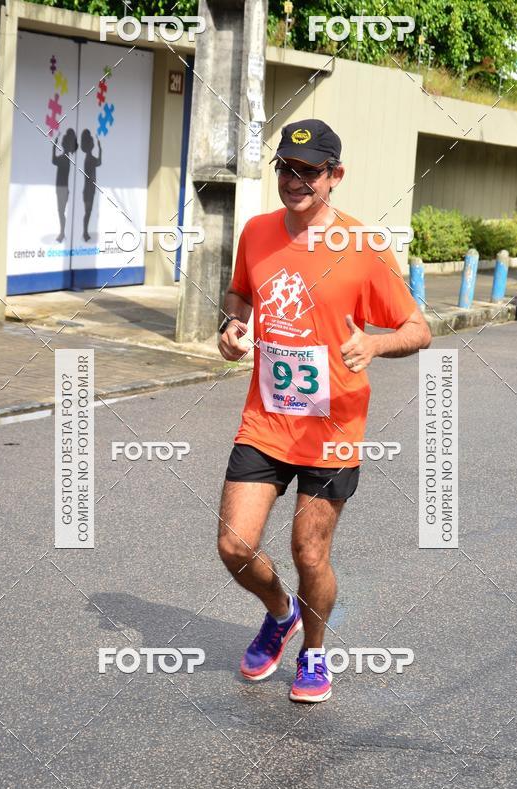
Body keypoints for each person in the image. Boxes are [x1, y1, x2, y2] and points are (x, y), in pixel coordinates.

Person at [216, 119, 431, 703]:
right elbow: (240, 294)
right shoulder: (258, 232)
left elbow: (418, 328)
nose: (295, 180)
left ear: (335, 177)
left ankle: (313, 651)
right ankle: (280, 612)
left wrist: (375, 344)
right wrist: (231, 324)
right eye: (286, 167)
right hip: (266, 417)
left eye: (310, 171)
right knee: (234, 545)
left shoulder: (361, 247)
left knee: (309, 552)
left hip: (334, 429)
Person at [52, 128, 78, 242]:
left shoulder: (65, 158)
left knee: (61, 211)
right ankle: (63, 232)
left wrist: (54, 146)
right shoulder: (66, 158)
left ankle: (63, 232)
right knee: (61, 211)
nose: (62, 143)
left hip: (62, 188)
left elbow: (54, 160)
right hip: (61, 187)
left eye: (63, 142)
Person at [80, 129, 102, 241]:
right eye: (92, 142)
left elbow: (98, 163)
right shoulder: (90, 159)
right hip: (88, 190)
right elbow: (99, 162)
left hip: (89, 190)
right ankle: (85, 232)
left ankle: (85, 232)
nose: (93, 144)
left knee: (88, 212)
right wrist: (100, 149)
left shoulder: (89, 158)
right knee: (88, 212)